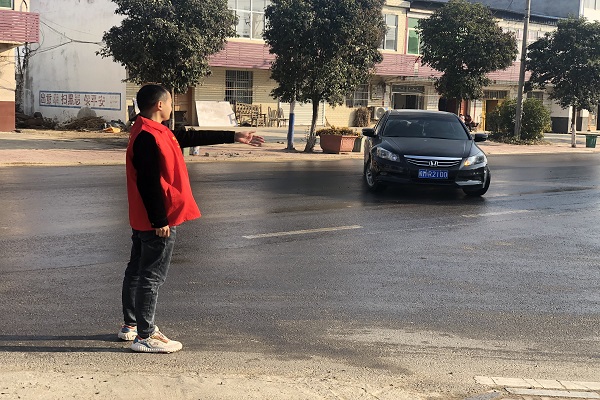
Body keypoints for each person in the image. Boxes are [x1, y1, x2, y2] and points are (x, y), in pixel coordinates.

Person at [119, 84, 264, 353]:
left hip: (143, 217)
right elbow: (148, 182)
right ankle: (146, 335)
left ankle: (132, 325)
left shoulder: (151, 130)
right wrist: (159, 220)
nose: (172, 106)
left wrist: (235, 136)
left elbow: (188, 137)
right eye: (169, 102)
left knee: (137, 271)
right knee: (151, 276)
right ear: (159, 105)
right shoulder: (147, 136)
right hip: (156, 219)